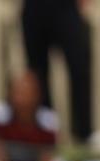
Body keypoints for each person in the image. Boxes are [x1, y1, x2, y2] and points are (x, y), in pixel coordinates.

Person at [21, 0, 91, 144]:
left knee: (79, 68)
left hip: (66, 6)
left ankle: (83, 136)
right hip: (34, 6)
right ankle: (45, 136)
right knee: (38, 76)